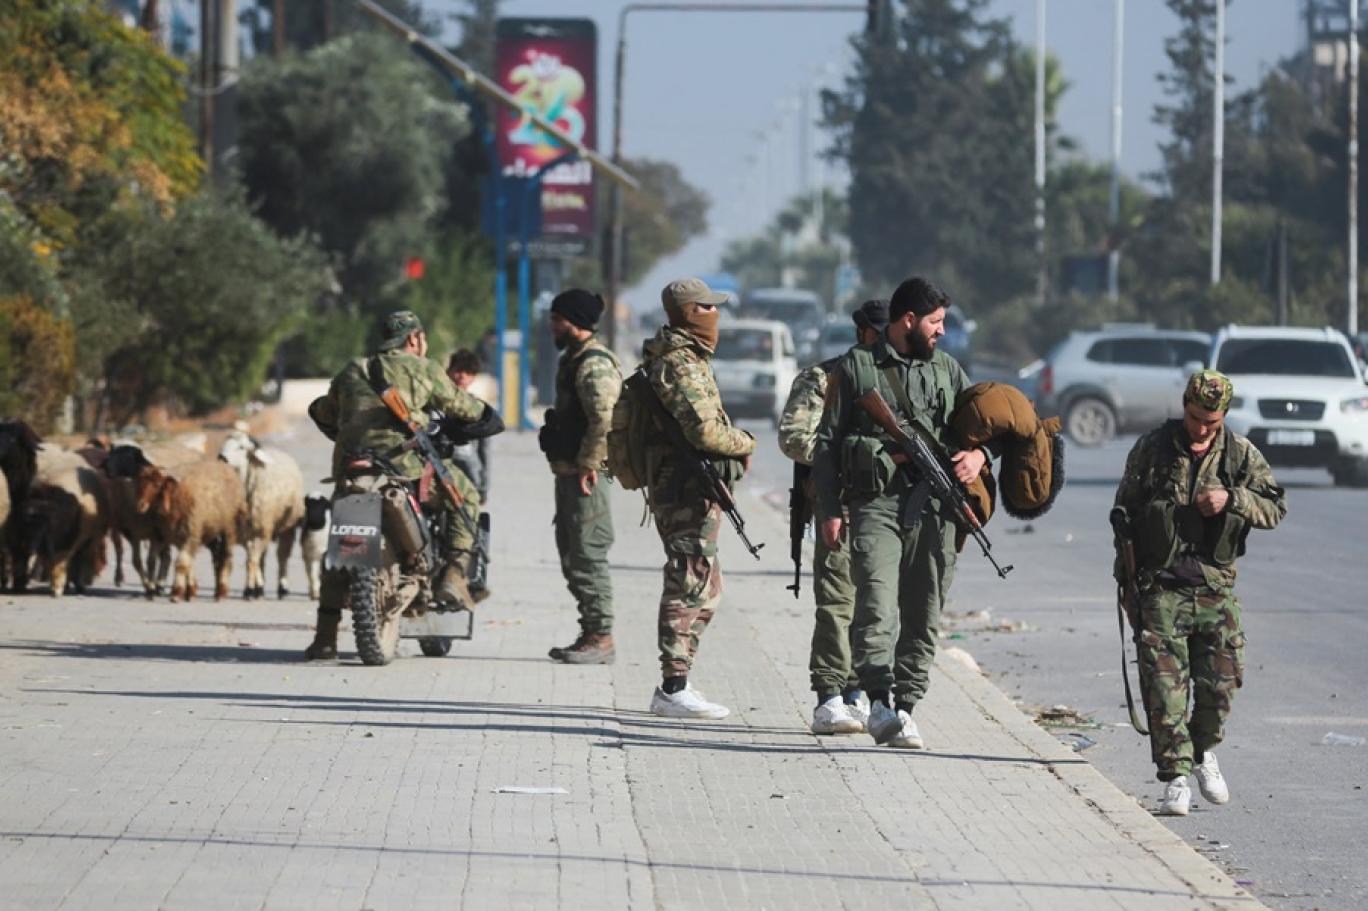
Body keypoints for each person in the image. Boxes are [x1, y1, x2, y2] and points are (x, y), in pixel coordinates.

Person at [811, 277, 987, 749]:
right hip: (876, 503)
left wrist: (979, 458)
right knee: (874, 601)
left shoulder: (948, 369)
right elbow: (826, 444)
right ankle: (879, 699)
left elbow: (982, 427)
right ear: (908, 320)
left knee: (924, 610)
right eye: (936, 322)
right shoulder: (858, 366)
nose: (942, 332)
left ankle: (906, 707)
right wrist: (827, 509)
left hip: (934, 507)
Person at [1112, 369, 1285, 816]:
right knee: (1165, 692)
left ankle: (1203, 751)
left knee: (1221, 686)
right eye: (1193, 418)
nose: (1200, 429)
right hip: (1161, 588)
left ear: (1223, 415)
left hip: (1214, 589)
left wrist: (1233, 499)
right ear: (1184, 407)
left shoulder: (1241, 455)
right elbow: (1123, 517)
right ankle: (1175, 778)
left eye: (1210, 421)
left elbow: (1275, 507)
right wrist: (1126, 586)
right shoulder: (1152, 449)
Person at [303, 310, 488, 660]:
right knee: (466, 494)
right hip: (405, 470)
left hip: (352, 470)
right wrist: (486, 417)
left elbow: (325, 413)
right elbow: (462, 406)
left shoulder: (352, 370)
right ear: (414, 339)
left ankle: (325, 639)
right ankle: (453, 573)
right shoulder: (425, 368)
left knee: (342, 551)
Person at [641, 277, 755, 719]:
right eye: (709, 307)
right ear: (692, 313)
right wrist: (745, 442)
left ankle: (680, 677)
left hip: (692, 485)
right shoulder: (680, 364)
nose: (717, 315)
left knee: (707, 585)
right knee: (688, 577)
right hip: (683, 487)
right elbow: (704, 431)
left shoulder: (686, 358)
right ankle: (672, 687)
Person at [777, 299, 888, 735]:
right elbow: (794, 437)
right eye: (879, 334)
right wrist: (848, 460)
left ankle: (857, 692)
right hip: (837, 504)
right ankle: (828, 696)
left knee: (875, 605)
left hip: (882, 510)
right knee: (837, 603)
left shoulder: (895, 380)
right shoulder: (823, 378)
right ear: (863, 333)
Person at [540, 289, 622, 665]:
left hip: (586, 475)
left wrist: (590, 464)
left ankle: (601, 636)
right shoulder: (572, 359)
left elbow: (604, 420)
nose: (552, 326)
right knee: (571, 554)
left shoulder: (593, 364)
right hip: (569, 473)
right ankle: (590, 629)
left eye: (557, 319)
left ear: (574, 322)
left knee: (587, 554)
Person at [447, 349, 490, 500]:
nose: (462, 376)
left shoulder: (477, 408)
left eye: (468, 372)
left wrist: (483, 486)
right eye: (458, 370)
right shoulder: (435, 404)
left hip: (469, 474)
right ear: (449, 371)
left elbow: (484, 450)